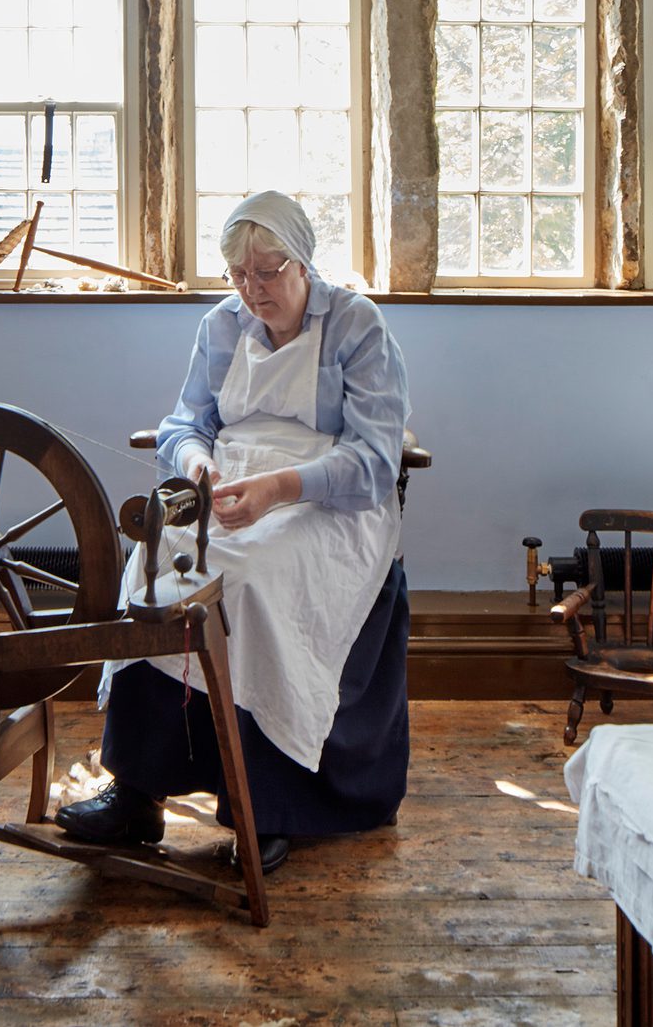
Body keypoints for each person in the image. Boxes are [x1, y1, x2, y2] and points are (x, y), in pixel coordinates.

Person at [56, 190, 412, 875]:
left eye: (269, 272)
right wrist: (199, 465)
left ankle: (269, 805)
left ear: (303, 260)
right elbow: (184, 423)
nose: (254, 291)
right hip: (228, 486)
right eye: (239, 276)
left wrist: (282, 487)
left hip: (327, 498)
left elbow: (374, 457)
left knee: (245, 582)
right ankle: (136, 788)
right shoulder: (222, 325)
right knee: (152, 567)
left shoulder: (357, 327)